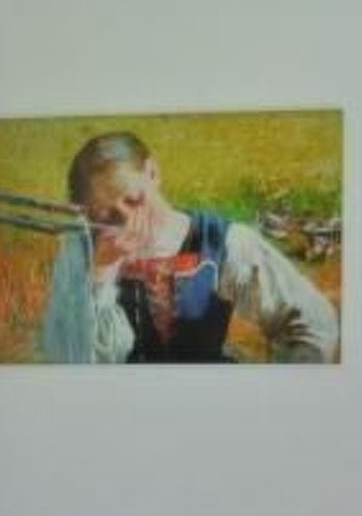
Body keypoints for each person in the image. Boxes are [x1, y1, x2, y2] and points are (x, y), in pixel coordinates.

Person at [41, 131, 339, 364]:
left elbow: (313, 321)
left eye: (133, 200)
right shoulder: (78, 252)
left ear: (153, 173)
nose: (129, 220)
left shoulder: (222, 240)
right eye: (106, 215)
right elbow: (69, 359)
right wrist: (101, 274)